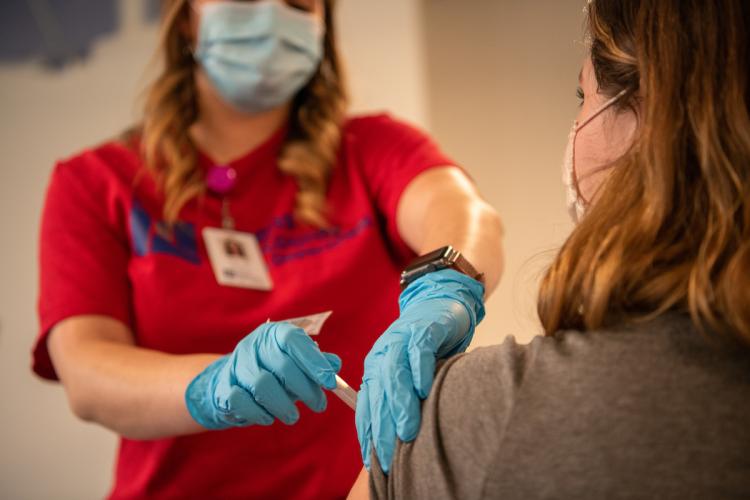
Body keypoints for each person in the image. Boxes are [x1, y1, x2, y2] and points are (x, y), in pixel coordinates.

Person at [32, 0, 503, 498]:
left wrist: (443, 285)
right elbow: (86, 374)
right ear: (186, 16)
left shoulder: (371, 150)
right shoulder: (97, 183)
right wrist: (215, 384)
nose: (270, 13)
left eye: (297, 3)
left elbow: (464, 212)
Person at [350, 0, 750, 498]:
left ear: (641, 114)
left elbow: (463, 210)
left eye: (582, 94)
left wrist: (443, 281)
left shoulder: (477, 414)